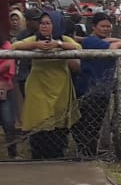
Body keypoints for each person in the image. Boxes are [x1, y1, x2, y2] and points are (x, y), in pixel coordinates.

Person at [12, 11, 81, 158]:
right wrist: (36, 45)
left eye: (48, 23)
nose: (44, 26)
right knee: (39, 122)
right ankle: (37, 154)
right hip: (38, 85)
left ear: (56, 25)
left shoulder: (63, 38)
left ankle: (57, 154)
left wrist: (59, 44)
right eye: (42, 23)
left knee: (58, 123)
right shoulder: (35, 38)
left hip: (60, 85)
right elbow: (14, 46)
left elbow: (78, 48)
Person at [72, 12, 121, 158]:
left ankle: (90, 153)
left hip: (103, 90)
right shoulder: (90, 42)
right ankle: (85, 152)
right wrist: (117, 42)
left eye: (108, 27)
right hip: (88, 89)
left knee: (95, 125)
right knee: (86, 125)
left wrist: (115, 40)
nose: (106, 29)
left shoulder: (101, 40)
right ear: (94, 27)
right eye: (102, 26)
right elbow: (115, 47)